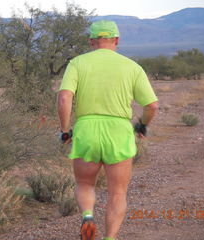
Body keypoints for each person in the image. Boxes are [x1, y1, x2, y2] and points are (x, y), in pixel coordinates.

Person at [57, 20, 158, 240]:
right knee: (118, 192)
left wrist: (65, 130)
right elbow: (152, 105)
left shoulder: (77, 63)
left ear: (91, 41)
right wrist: (142, 125)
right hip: (119, 131)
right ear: (117, 40)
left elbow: (64, 97)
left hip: (87, 130)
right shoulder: (132, 67)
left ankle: (87, 215)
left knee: (84, 183)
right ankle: (110, 238)